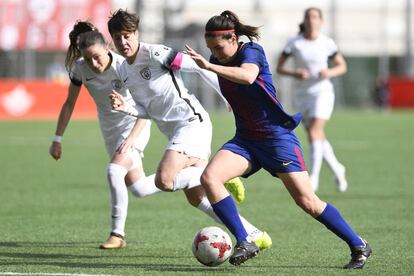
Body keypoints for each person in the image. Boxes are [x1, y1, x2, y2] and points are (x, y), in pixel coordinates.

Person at [185, 10, 371, 268]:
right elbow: (227, 80)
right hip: (246, 140)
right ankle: (245, 240)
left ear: (234, 39)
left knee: (308, 202)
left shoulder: (251, 51)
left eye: (218, 47)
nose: (214, 53)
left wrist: (210, 65)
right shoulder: (217, 59)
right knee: (209, 177)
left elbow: (248, 76)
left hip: (276, 139)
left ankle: (358, 245)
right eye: (210, 49)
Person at [107, 9, 272, 250]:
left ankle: (219, 174)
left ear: (136, 33)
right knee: (197, 199)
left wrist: (225, 93)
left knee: (165, 180)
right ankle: (254, 233)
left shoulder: (155, 53)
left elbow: (199, 66)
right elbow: (147, 110)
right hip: (175, 132)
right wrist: (127, 108)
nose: (123, 42)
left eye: (127, 35)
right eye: (117, 37)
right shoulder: (124, 70)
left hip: (192, 124)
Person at [49, 21, 160, 249]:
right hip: (110, 132)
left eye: (97, 57)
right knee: (140, 188)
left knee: (113, 170)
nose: (94, 63)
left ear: (107, 47)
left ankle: (117, 235)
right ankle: (192, 176)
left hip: (134, 125)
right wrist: (57, 138)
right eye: (88, 59)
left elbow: (145, 106)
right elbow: (69, 104)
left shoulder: (123, 66)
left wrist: (130, 139)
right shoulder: (79, 68)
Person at [276, 7, 348, 192]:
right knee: (315, 136)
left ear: (321, 21)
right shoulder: (295, 42)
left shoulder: (327, 43)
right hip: (302, 95)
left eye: (315, 17)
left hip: (322, 92)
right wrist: (295, 73)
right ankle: (337, 168)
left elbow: (341, 66)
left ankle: (312, 178)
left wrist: (329, 72)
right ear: (304, 20)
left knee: (316, 130)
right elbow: (280, 67)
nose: (311, 20)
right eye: (308, 16)